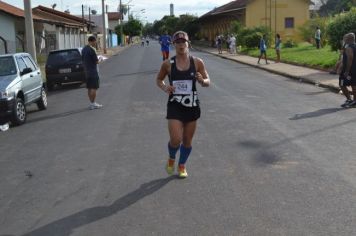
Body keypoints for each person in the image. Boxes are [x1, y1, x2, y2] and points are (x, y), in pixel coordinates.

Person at [156, 31, 210, 178]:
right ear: (174, 45)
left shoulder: (197, 62)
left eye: (183, 42)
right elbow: (159, 80)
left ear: (188, 43)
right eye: (178, 42)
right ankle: (171, 158)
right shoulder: (168, 64)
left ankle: (182, 165)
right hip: (175, 105)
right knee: (176, 139)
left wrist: (202, 81)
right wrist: (165, 87)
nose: (181, 45)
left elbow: (207, 81)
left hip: (192, 106)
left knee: (187, 141)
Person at [82, 36, 103, 110]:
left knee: (89, 88)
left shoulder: (84, 49)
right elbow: (96, 61)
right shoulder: (92, 50)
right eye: (95, 41)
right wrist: (100, 59)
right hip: (93, 72)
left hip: (87, 72)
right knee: (94, 88)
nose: (96, 43)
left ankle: (91, 103)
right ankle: (93, 103)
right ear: (92, 41)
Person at [339, 33, 356, 108]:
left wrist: (347, 71)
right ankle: (354, 101)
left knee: (342, 84)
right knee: (354, 86)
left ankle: (350, 100)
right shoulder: (353, 46)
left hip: (349, 70)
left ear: (349, 39)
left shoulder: (349, 47)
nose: (344, 40)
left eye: (345, 38)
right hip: (354, 70)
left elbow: (350, 59)